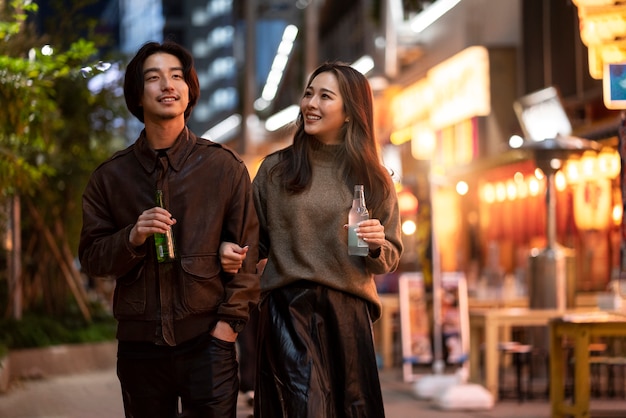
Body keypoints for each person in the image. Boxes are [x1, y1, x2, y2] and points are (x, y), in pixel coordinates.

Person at [78, 41, 259, 418]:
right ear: (137, 95)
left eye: (177, 76)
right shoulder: (110, 178)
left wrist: (227, 328)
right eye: (154, 78)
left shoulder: (223, 168)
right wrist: (132, 237)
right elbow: (91, 258)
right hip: (139, 348)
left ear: (190, 90)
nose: (168, 85)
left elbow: (249, 253)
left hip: (208, 343)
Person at [225, 61, 403, 417]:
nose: (311, 104)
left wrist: (374, 243)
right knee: (301, 409)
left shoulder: (374, 177)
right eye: (308, 93)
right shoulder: (275, 170)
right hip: (287, 311)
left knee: (349, 410)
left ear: (350, 111)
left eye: (325, 96)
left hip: (349, 315)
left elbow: (389, 256)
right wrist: (232, 252)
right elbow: (252, 245)